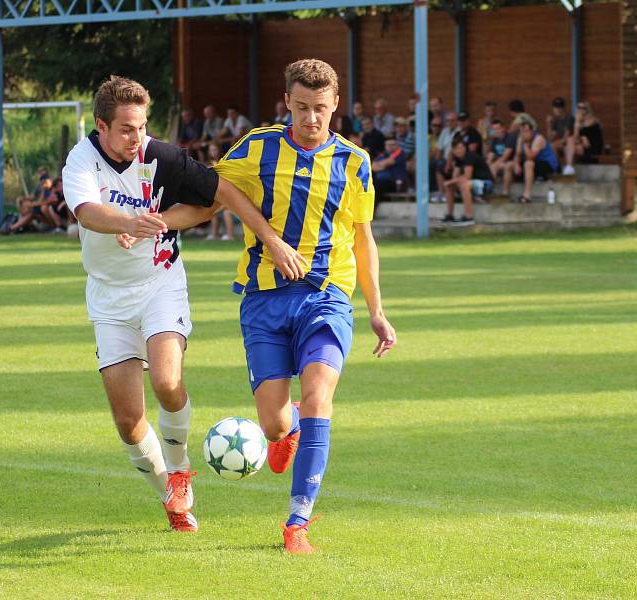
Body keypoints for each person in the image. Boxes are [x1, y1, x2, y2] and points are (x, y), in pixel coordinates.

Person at [61, 76, 303, 534]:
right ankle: (171, 500)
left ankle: (180, 471)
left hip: (160, 285)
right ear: (101, 127)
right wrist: (131, 221)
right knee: (128, 421)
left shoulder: (160, 156)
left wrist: (270, 239)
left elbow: (220, 198)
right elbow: (87, 213)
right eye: (128, 129)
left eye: (143, 126)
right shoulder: (82, 159)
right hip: (109, 299)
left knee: (168, 382)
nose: (138, 138)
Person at [213, 59, 397, 554]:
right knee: (273, 424)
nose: (310, 118)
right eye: (300, 108)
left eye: (320, 108)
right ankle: (287, 423)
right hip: (264, 299)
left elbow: (363, 238)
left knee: (320, 397)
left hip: (327, 296)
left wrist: (376, 309)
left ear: (335, 104)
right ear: (286, 101)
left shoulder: (355, 162)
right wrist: (152, 221)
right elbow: (214, 190)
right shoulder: (257, 147)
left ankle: (297, 524)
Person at [442, 139, 494, 226]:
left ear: (465, 147)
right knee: (450, 186)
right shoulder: (458, 159)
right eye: (455, 149)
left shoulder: (469, 156)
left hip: (486, 184)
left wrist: (450, 181)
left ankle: (468, 217)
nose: (458, 150)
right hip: (473, 184)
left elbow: (467, 176)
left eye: (460, 147)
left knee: (464, 184)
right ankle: (450, 215)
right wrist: (450, 183)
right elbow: (455, 176)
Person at [504, 120, 558, 203]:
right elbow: (517, 155)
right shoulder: (520, 138)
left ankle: (527, 195)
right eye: (521, 131)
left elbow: (530, 157)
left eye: (526, 131)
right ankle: (505, 194)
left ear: (532, 131)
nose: (523, 134)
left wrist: (525, 144)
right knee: (509, 165)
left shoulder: (538, 139)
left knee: (528, 164)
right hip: (534, 165)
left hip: (547, 165)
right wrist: (516, 164)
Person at [562, 99, 604, 176]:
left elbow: (589, 142)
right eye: (579, 107)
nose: (581, 110)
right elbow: (575, 138)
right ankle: (569, 167)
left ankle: (569, 167)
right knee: (569, 141)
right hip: (580, 146)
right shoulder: (578, 121)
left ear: (588, 109)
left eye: (583, 108)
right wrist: (577, 126)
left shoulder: (593, 122)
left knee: (569, 144)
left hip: (592, 148)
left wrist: (580, 135)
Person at [203, 143, 235, 241]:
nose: (212, 152)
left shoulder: (225, 164)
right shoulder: (207, 163)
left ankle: (230, 236)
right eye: (211, 150)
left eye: (214, 149)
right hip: (220, 203)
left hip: (230, 205)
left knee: (225, 212)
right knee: (214, 213)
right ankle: (215, 235)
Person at [546, 97, 574, 171]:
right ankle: (556, 168)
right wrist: (549, 125)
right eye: (555, 107)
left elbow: (566, 137)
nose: (557, 109)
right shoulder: (556, 120)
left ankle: (558, 169)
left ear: (563, 108)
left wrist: (554, 143)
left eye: (560, 107)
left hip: (571, 143)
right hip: (562, 143)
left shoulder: (569, 118)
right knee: (550, 146)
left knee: (552, 145)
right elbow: (550, 138)